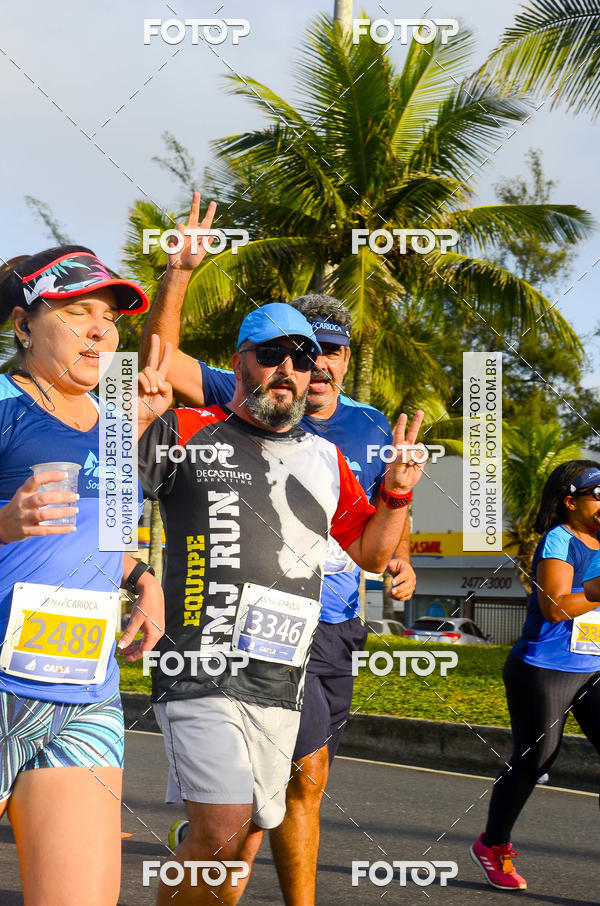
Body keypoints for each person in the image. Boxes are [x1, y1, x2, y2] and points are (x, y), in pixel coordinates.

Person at [139, 193, 417, 904]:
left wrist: (398, 495)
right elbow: (156, 368)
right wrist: (177, 277)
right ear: (241, 365)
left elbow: (370, 554)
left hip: (284, 667)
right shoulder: (192, 427)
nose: (293, 369)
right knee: (227, 827)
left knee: (238, 840)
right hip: (199, 661)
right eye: (274, 356)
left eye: (306, 357)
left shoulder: (327, 457)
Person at [0, 246, 164, 905]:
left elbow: (100, 538)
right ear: (22, 326)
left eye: (108, 316)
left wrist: (141, 578)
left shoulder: (116, 429)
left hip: (82, 693)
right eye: (77, 313)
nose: (101, 329)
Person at [471, 461, 600, 892]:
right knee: (536, 760)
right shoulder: (560, 540)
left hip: (594, 668)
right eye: (597, 494)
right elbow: (557, 606)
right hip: (544, 669)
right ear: (570, 502)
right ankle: (493, 845)